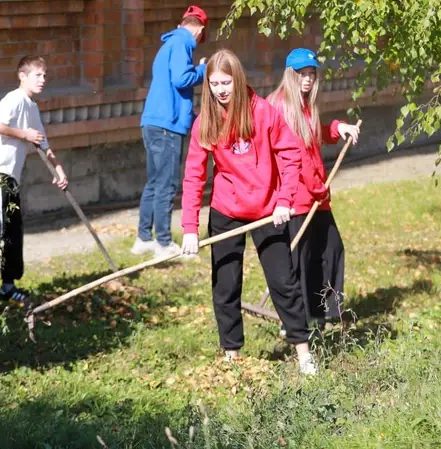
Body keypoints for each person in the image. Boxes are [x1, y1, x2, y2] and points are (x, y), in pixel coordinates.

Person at [180, 49, 318, 375]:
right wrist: (189, 227)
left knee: (283, 281)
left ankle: (303, 354)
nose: (221, 89)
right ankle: (232, 356)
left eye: (226, 82)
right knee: (226, 286)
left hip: (268, 210)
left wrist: (284, 199)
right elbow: (193, 177)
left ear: (237, 79)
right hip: (226, 210)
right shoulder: (206, 121)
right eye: (214, 84)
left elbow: (290, 155)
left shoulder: (263, 112)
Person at [0, 56, 69, 308]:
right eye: (38, 75)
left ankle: (7, 286)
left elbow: (43, 143)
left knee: (13, 232)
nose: (43, 80)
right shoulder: (13, 99)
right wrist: (24, 134)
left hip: (10, 177)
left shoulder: (32, 107)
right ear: (22, 76)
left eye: (45, 75)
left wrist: (59, 170)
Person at [267, 48, 360, 328]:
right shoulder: (282, 107)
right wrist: (317, 188)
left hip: (315, 196)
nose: (307, 80)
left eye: (311, 74)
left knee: (331, 249)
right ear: (289, 74)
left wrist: (337, 128)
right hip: (297, 197)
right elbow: (296, 157)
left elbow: (313, 134)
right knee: (302, 259)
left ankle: (324, 313)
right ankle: (298, 320)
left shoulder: (305, 104)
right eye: (301, 74)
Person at [133, 5, 209, 258]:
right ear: (198, 29)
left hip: (153, 123)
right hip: (168, 127)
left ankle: (144, 238)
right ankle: (164, 244)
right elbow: (181, 79)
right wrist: (203, 70)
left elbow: (174, 87)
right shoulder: (183, 42)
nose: (198, 41)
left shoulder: (169, 44)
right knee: (167, 184)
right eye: (201, 36)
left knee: (154, 182)